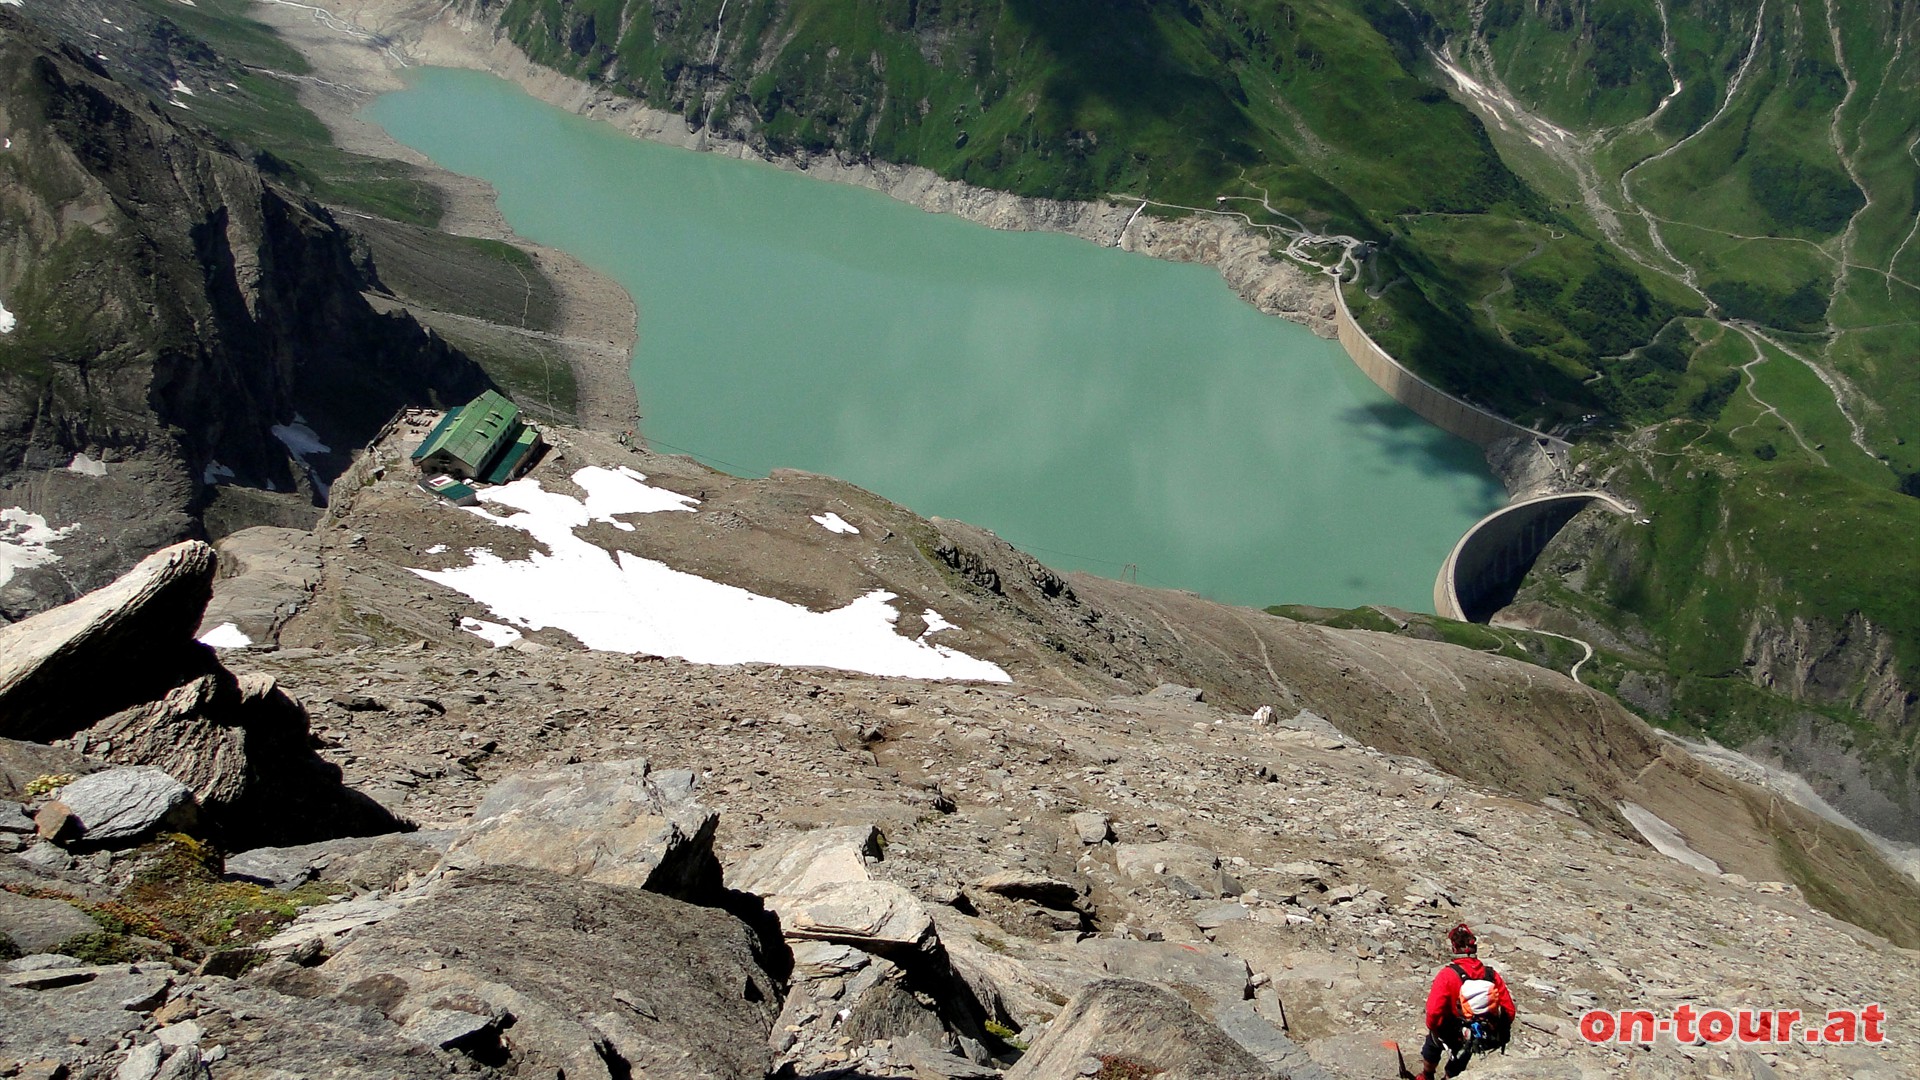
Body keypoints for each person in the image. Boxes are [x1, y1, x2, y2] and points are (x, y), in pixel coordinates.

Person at [1418, 923, 1515, 1079]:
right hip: (1477, 1031)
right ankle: (1450, 1077)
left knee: (1432, 1045)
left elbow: (1434, 1011)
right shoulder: (1491, 974)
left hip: (1449, 1027)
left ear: (1454, 949)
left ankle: (1427, 1075)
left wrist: (1433, 1027)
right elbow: (1509, 1010)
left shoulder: (1447, 975)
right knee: (1465, 1052)